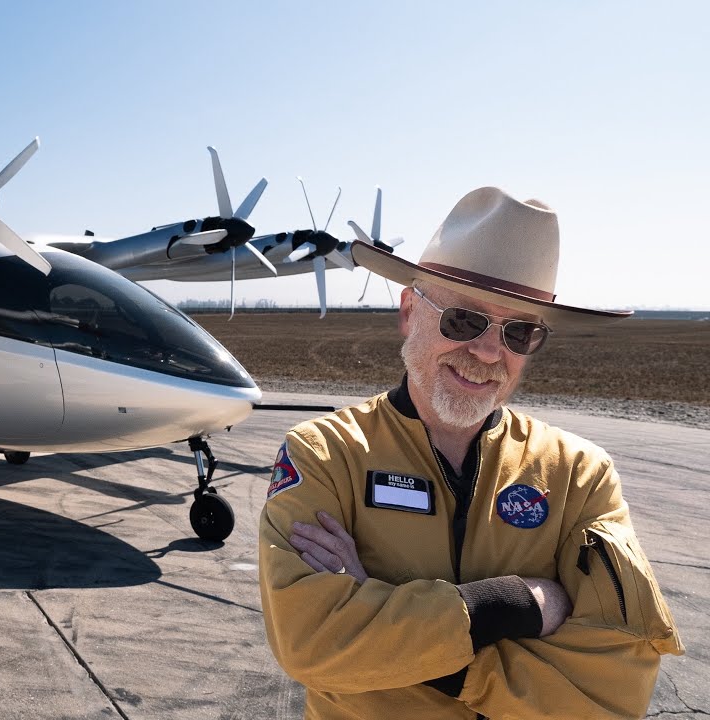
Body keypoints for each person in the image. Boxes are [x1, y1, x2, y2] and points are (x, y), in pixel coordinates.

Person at [258, 187, 683, 718]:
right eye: (464, 319)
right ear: (410, 312)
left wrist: (399, 640)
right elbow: (313, 642)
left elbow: (613, 688)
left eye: (520, 332)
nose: (487, 351)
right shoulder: (325, 455)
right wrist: (516, 603)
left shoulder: (580, 475)